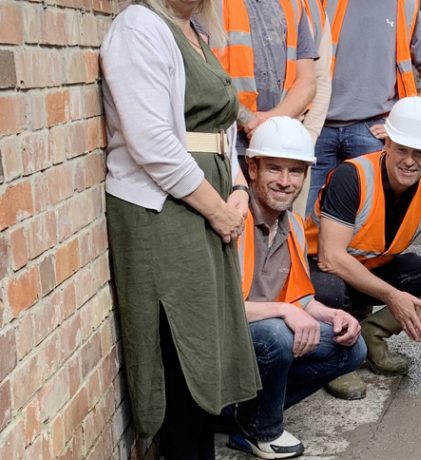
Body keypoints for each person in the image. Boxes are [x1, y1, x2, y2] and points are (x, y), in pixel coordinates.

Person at [100, 0, 260, 458]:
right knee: (178, 354)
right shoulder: (138, 27)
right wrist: (215, 209)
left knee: (204, 347)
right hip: (164, 211)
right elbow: (152, 142)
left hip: (203, 204)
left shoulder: (196, 32)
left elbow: (221, 130)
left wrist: (239, 187)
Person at [306, 97, 421, 384]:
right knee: (330, 290)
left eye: (420, 153)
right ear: (387, 143)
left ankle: (372, 333)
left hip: (374, 269)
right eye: (402, 150)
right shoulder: (353, 176)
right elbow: (330, 257)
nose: (410, 161)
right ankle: (334, 356)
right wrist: (392, 297)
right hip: (319, 269)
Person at [226, 117, 367, 458]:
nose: (286, 182)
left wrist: (333, 315)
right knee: (278, 334)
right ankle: (264, 430)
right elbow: (219, 309)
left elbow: (300, 299)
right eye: (275, 169)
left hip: (262, 338)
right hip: (226, 342)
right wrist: (285, 311)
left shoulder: (293, 226)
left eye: (296, 172)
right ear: (252, 168)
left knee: (352, 347)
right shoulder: (232, 219)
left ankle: (245, 416)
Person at [304, 0, 421, 217]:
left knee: (368, 221)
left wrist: (404, 121)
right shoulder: (319, 4)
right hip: (317, 130)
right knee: (305, 222)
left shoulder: (405, 7)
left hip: (372, 132)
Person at [213, 0, 318, 178]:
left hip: (278, 147)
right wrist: (249, 119)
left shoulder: (294, 4)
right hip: (225, 145)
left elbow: (307, 81)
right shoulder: (210, 4)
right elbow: (202, 75)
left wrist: (270, 120)